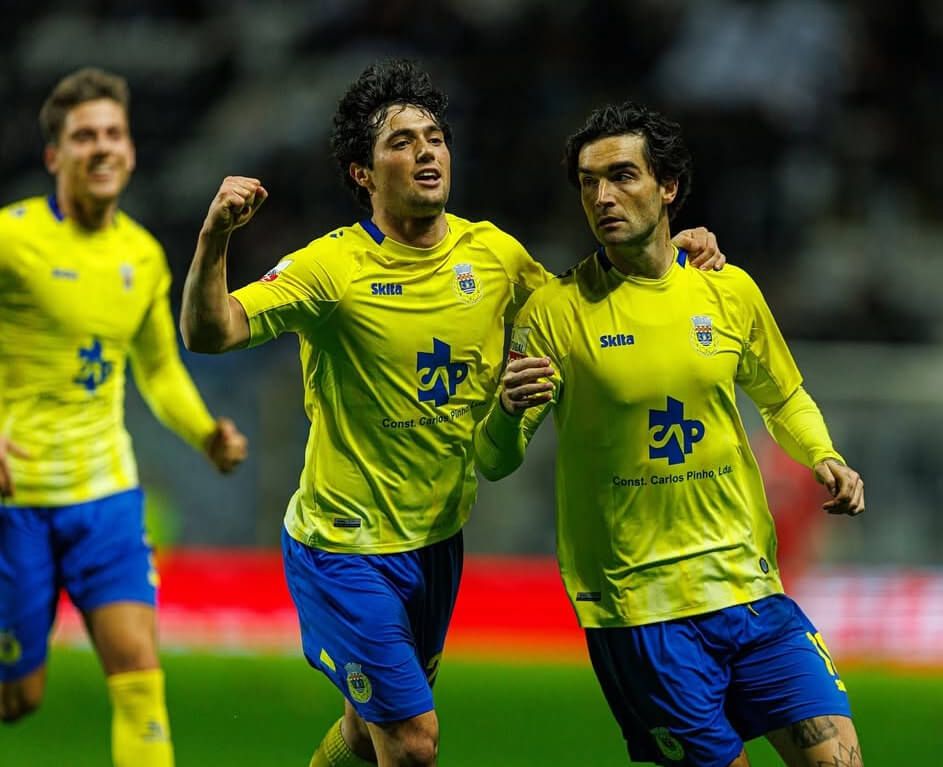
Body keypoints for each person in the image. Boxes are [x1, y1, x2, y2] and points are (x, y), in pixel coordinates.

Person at [179, 59, 724, 767]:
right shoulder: (330, 268)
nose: (426, 151)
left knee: (363, 731)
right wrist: (215, 237)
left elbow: (582, 308)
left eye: (434, 136)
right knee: (412, 741)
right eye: (401, 142)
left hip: (437, 541)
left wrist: (669, 256)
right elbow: (209, 332)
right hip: (344, 544)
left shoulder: (492, 254)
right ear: (363, 175)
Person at [473, 102, 867, 767]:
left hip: (750, 589)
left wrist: (823, 454)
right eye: (588, 182)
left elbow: (784, 397)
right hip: (641, 614)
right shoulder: (555, 314)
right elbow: (493, 461)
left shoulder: (728, 291)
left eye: (622, 175)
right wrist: (507, 412)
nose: (602, 196)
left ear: (669, 187)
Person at [0, 68, 248, 767]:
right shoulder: (11, 239)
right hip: (16, 500)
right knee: (17, 699)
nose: (101, 147)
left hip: (106, 493)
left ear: (132, 151)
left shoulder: (142, 254)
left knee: (140, 672)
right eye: (84, 136)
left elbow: (160, 368)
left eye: (113, 133)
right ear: (54, 156)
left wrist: (205, 431)